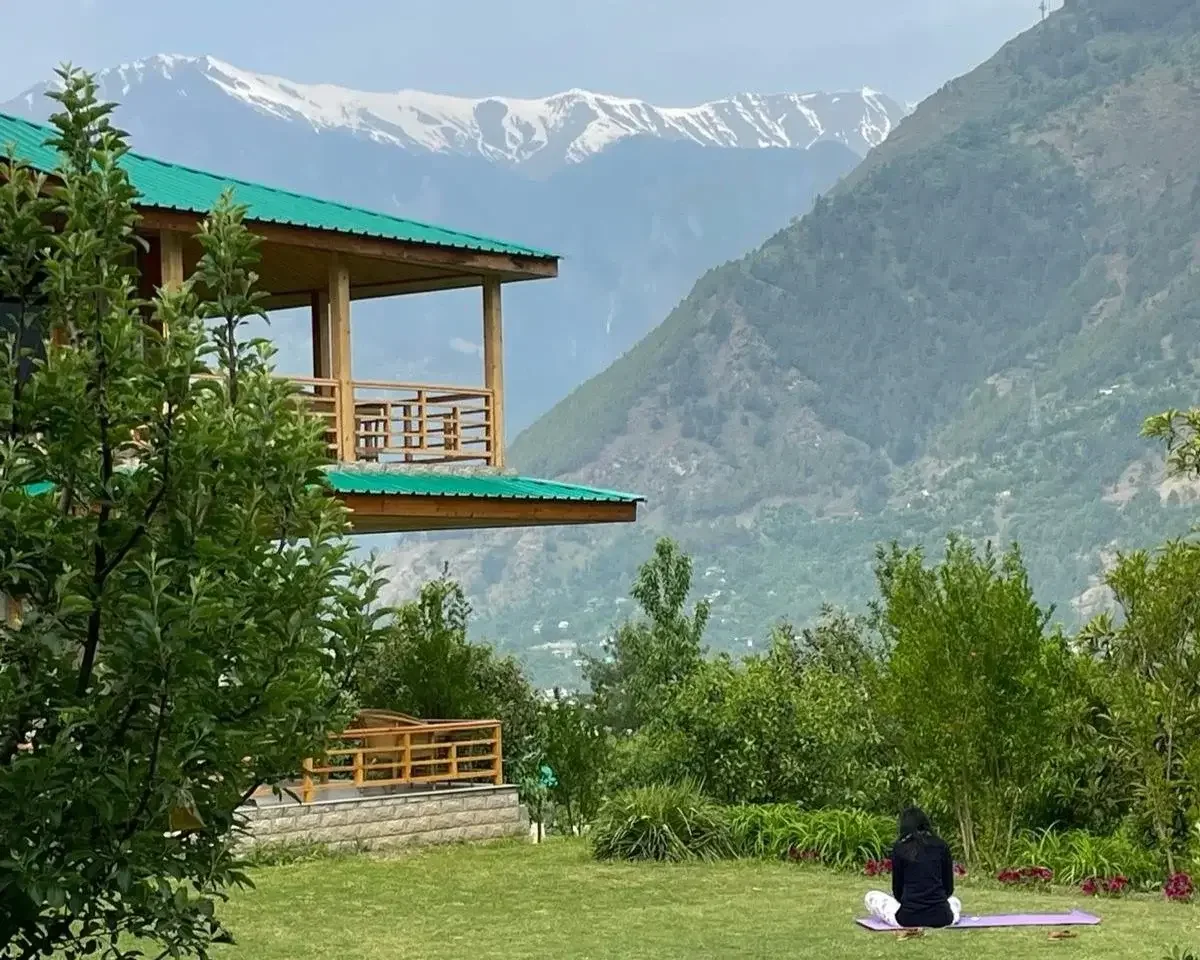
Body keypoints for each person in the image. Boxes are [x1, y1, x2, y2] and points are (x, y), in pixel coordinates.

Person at [864, 806, 962, 929]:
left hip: (908, 919)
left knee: (871, 897)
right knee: (955, 901)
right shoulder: (941, 845)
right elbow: (948, 888)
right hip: (942, 918)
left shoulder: (900, 848)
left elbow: (897, 891)